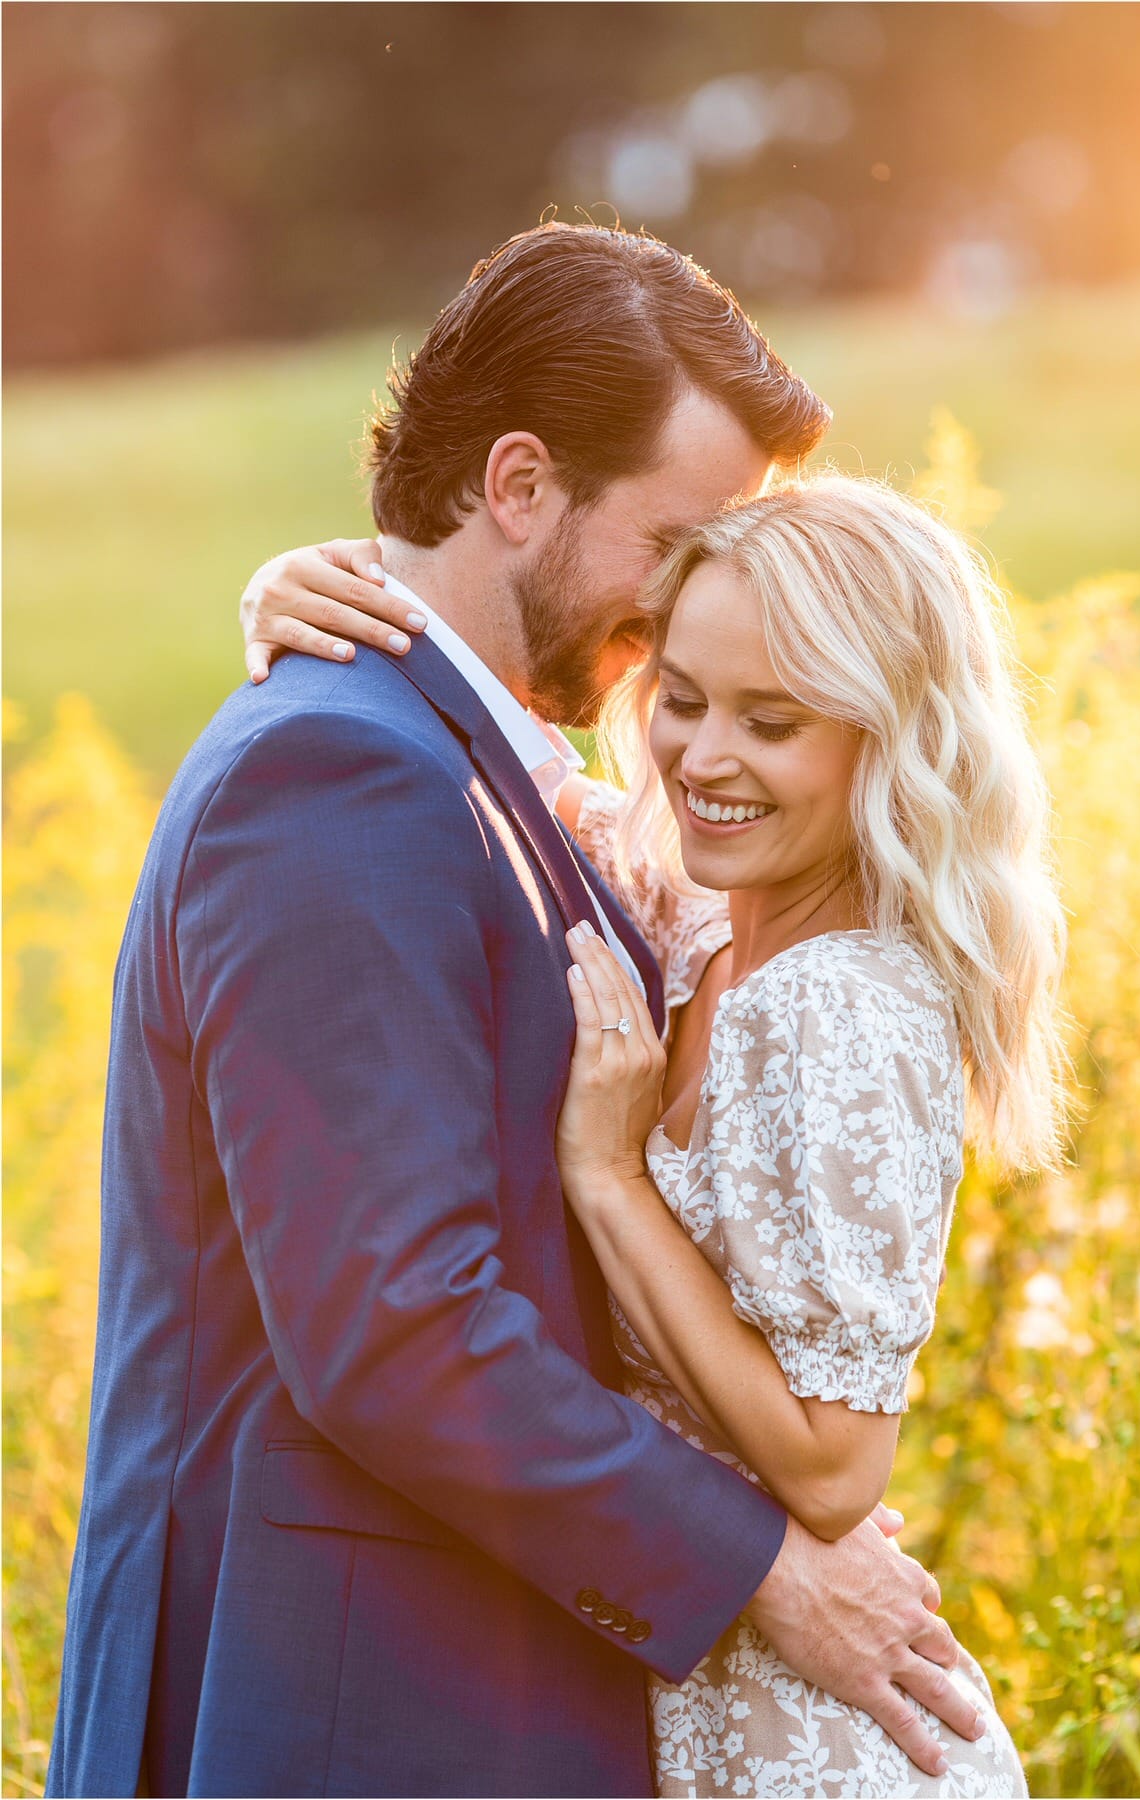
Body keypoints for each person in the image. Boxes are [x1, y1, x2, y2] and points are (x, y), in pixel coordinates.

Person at [47, 225, 982, 1800]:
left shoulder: (479, 764)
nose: (693, 601)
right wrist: (757, 1563)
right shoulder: (336, 769)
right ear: (521, 484)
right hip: (339, 1712)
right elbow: (394, 1322)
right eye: (675, 538)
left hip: (460, 1681)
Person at [243, 472, 1067, 1797]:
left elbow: (835, 1465)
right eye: (680, 699)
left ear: (887, 739)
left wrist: (612, 1177)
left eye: (773, 721)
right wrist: (304, 587)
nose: (701, 757)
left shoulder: (841, 1009)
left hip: (821, 1745)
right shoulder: (707, 928)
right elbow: (540, 779)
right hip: (702, 1691)